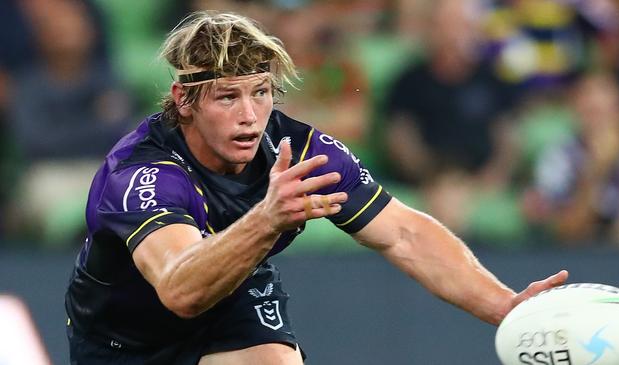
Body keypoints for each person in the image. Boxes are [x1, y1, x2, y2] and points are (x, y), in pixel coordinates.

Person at [64, 11, 568, 365]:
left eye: (261, 93)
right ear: (185, 99)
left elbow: (404, 234)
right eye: (227, 97)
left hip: (231, 302)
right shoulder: (142, 176)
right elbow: (179, 290)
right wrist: (266, 219)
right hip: (120, 341)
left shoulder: (298, 148)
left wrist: (503, 306)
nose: (249, 116)